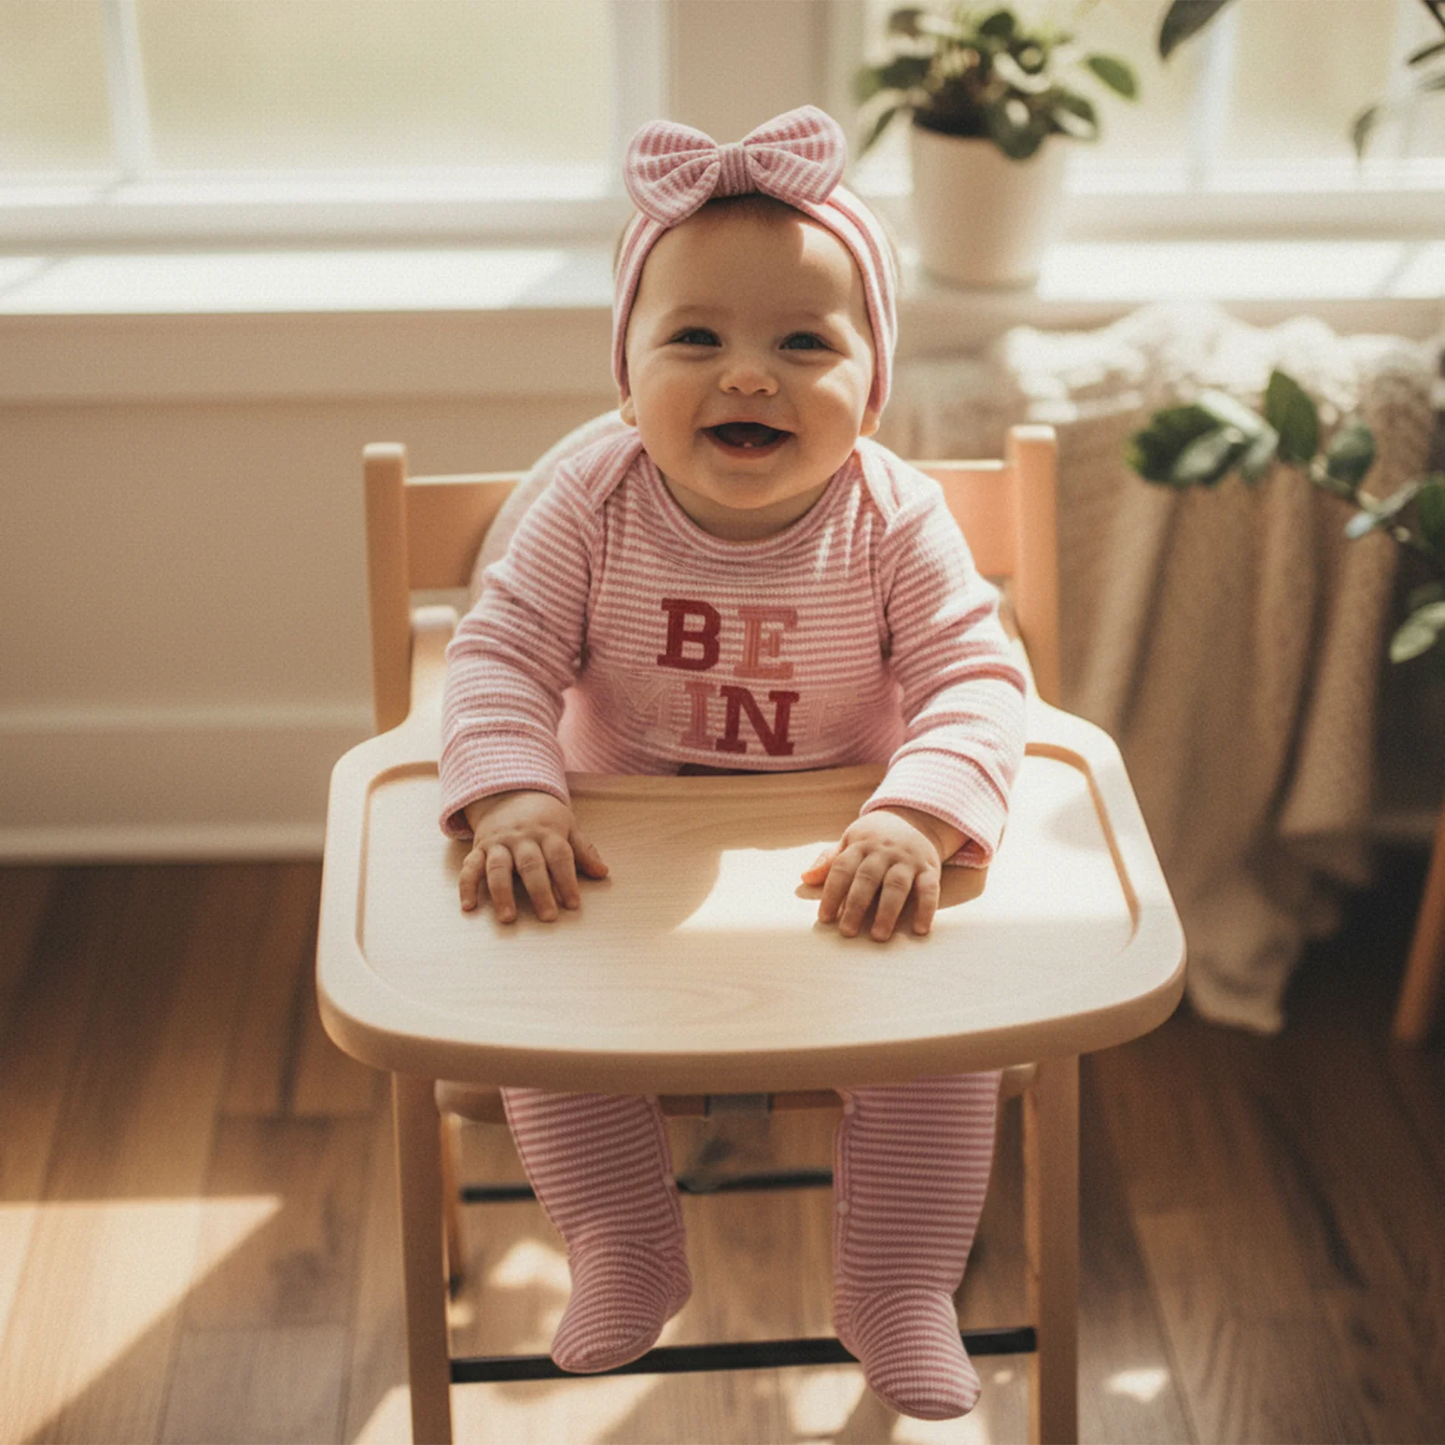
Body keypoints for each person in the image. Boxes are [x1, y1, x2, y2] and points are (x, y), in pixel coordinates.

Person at [438, 105, 1027, 1422]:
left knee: (943, 1042)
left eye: (802, 343)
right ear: (627, 373)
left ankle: (898, 1287)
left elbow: (978, 680)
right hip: (624, 852)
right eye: (696, 337)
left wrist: (919, 819)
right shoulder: (586, 501)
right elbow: (496, 655)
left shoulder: (896, 516)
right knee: (538, 987)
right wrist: (516, 789)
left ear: (872, 384)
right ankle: (622, 1241)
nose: (748, 375)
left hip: (841, 861)